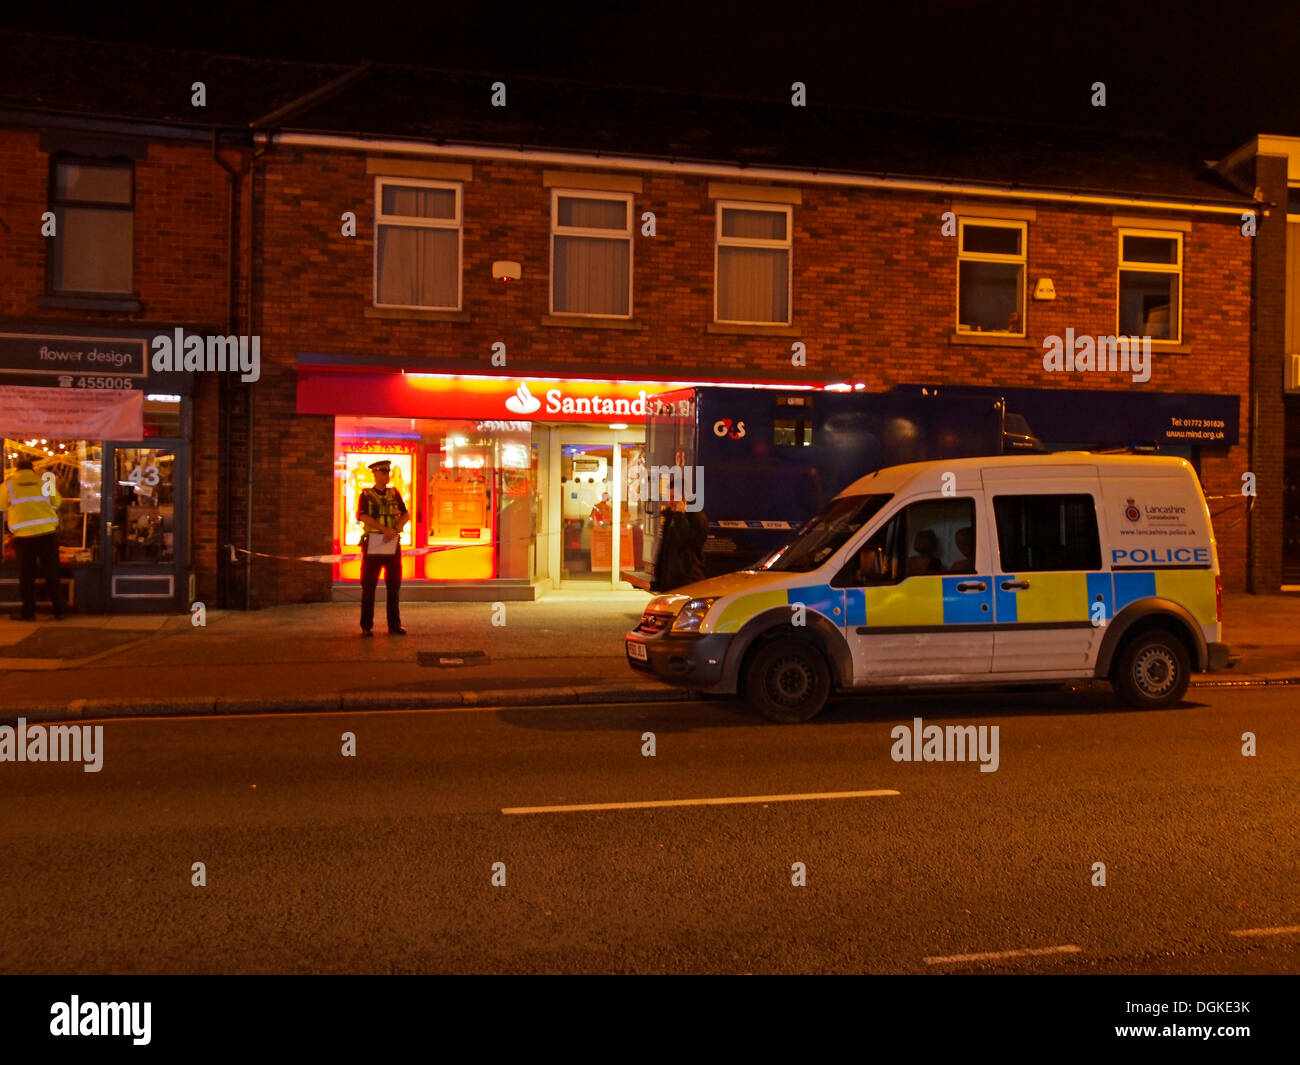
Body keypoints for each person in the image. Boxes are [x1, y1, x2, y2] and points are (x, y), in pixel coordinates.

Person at [0, 457, 66, 621]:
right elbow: (57, 502)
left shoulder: (8, 485)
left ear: (17, 470)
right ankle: (58, 610)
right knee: (52, 573)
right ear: (32, 469)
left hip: (24, 537)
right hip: (48, 535)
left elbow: (1, 506)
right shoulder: (44, 483)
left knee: (27, 576)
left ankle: (28, 612)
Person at [356, 459, 409, 636]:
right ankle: (366, 626)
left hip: (392, 544)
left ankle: (394, 625)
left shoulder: (395, 493)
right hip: (373, 543)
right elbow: (363, 516)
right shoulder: (366, 494)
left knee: (394, 586)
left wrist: (395, 529)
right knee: (369, 587)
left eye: (388, 472)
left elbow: (406, 514)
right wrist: (384, 529)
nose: (387, 475)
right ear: (375, 474)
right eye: (383, 472)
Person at [650, 492, 708, 592]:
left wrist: (680, 516)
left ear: (685, 498)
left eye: (673, 497)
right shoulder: (671, 516)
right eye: (668, 497)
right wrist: (659, 575)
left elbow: (687, 543)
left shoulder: (697, 518)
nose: (669, 501)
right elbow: (665, 549)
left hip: (686, 581)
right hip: (669, 581)